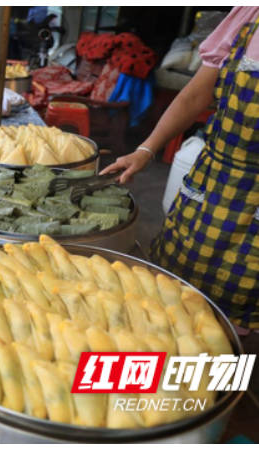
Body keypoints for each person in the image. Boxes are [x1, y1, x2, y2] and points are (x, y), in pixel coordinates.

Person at [102, 7, 259, 335]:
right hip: (214, 180)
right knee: (168, 289)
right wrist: (145, 150)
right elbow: (195, 95)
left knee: (230, 318)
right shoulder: (248, 16)